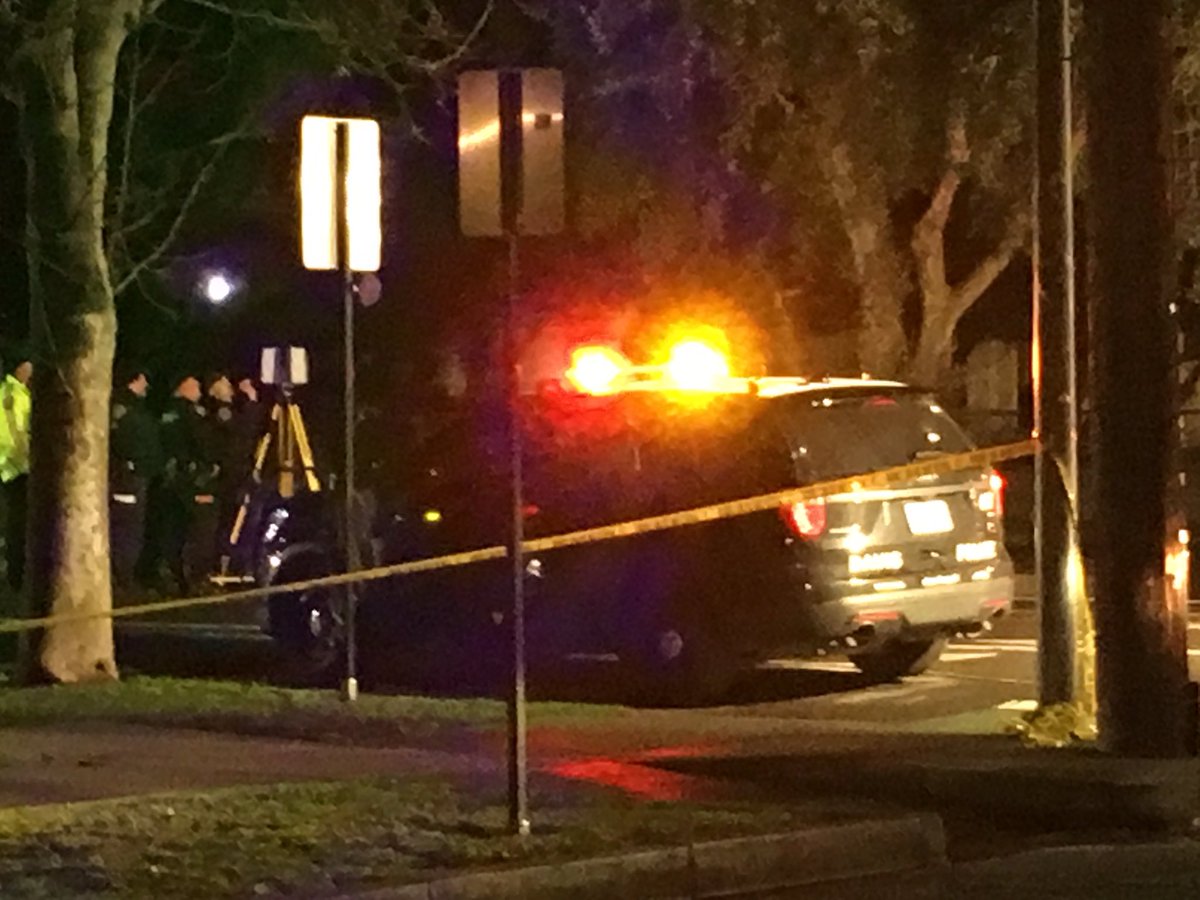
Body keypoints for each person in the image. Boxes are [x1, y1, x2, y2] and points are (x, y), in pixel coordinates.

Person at [150, 373, 219, 593]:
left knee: (171, 529)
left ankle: (168, 577)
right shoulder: (191, 413)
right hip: (194, 479)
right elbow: (204, 443)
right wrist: (211, 465)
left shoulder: (166, 413)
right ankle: (195, 580)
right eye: (194, 385)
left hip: (171, 481)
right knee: (201, 530)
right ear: (183, 387)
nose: (199, 388)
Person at [109, 363, 162, 594]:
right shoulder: (126, 408)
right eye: (144, 381)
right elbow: (126, 442)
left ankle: (124, 576)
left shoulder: (132, 407)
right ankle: (122, 577)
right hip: (129, 478)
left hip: (137, 475)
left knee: (131, 528)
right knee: (127, 529)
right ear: (136, 379)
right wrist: (134, 465)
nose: (147, 386)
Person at [0, 352, 32, 593]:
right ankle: (16, 577)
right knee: (17, 525)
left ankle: (16, 575)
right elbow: (16, 433)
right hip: (14, 470)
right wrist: (26, 460)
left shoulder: (15, 393)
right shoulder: (13, 394)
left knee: (17, 524)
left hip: (12, 468)